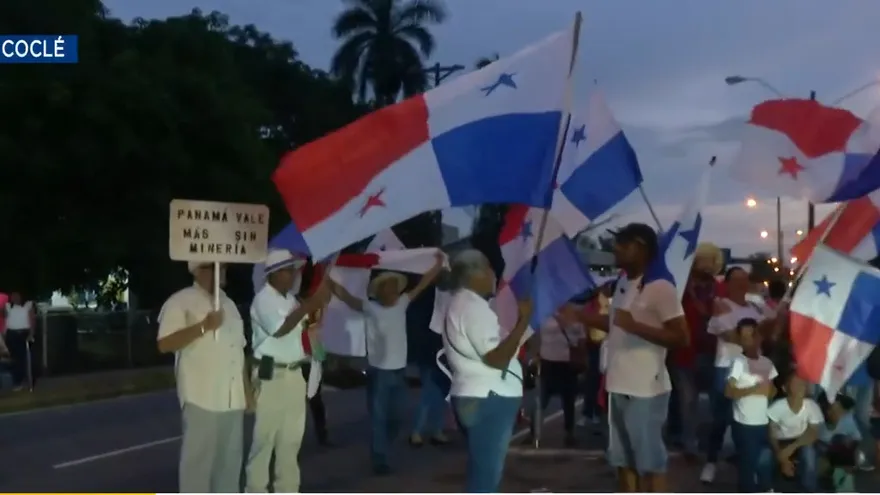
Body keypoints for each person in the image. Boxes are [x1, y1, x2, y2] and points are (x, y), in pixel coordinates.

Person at [561, 223, 688, 492]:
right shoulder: (622, 282)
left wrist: (635, 326)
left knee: (649, 463)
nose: (615, 249)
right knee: (622, 460)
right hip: (616, 385)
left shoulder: (660, 287)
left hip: (645, 390)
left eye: (623, 244)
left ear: (641, 248)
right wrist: (581, 315)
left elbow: (681, 338)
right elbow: (616, 323)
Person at [330, 252, 443, 474]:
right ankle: (379, 458)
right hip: (378, 373)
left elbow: (423, 284)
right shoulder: (370, 308)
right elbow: (344, 295)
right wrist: (326, 277)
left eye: (394, 287)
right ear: (379, 291)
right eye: (388, 287)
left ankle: (382, 448)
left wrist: (437, 265)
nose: (392, 291)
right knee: (379, 418)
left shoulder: (402, 302)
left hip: (399, 372)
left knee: (397, 417)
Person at [157, 262, 254, 493]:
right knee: (197, 470)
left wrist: (247, 392)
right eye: (214, 267)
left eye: (223, 267)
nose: (221, 272)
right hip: (202, 397)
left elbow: (237, 352)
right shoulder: (180, 301)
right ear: (198, 270)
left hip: (232, 400)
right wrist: (203, 326)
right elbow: (165, 343)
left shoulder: (229, 305)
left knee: (229, 468)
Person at [442, 249, 531, 493]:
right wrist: (524, 320)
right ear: (477, 273)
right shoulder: (472, 307)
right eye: (491, 269)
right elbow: (497, 358)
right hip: (489, 397)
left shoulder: (463, 304)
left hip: (478, 394)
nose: (495, 275)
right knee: (486, 478)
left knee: (481, 470)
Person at [246, 249, 332, 492]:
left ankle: (288, 489)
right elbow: (280, 330)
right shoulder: (263, 299)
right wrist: (308, 307)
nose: (294, 275)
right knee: (264, 440)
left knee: (291, 441)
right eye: (288, 270)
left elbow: (303, 332)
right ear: (274, 273)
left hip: (294, 373)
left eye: (294, 270)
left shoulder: (291, 300)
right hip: (269, 372)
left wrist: (315, 331)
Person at [700, 266, 773, 484]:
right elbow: (732, 336)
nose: (742, 284)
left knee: (749, 419)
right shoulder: (721, 305)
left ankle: (747, 465)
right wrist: (756, 334)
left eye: (745, 280)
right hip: (727, 368)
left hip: (754, 369)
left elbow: (771, 330)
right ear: (728, 283)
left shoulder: (755, 306)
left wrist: (763, 329)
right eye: (737, 280)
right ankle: (711, 462)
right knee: (721, 418)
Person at [670, 244, 722, 458]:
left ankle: (708, 441)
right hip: (684, 353)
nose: (707, 266)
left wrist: (708, 313)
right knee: (687, 400)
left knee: (713, 402)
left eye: (711, 261)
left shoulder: (717, 289)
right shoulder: (680, 288)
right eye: (703, 260)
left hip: (712, 353)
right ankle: (689, 442)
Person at [724, 317, 777, 492]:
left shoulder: (767, 363)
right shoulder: (738, 363)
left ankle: (767, 488)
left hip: (762, 421)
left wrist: (767, 392)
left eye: (753, 336)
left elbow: (773, 390)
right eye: (745, 337)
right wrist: (753, 390)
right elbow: (729, 392)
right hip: (745, 425)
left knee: (764, 460)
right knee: (748, 465)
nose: (750, 341)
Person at [524, 305, 585, 447]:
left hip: (568, 363)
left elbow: (581, 337)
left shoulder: (575, 314)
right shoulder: (545, 313)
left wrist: (582, 356)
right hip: (548, 362)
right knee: (541, 399)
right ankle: (533, 433)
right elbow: (537, 336)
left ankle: (569, 434)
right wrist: (536, 354)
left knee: (568, 400)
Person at [762, 373, 822, 492]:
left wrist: (792, 448)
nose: (801, 386)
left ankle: (809, 489)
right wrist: (782, 457)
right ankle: (767, 488)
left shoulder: (812, 406)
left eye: (803, 383)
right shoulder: (777, 406)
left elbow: (813, 433)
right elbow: (771, 434)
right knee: (763, 457)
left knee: (809, 454)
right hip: (781, 442)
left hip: (801, 441)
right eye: (796, 383)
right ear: (785, 388)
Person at [816, 393, 861, 492]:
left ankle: (845, 487)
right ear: (826, 410)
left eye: (841, 408)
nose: (841, 411)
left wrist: (855, 460)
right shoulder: (818, 422)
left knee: (844, 441)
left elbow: (856, 440)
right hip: (822, 456)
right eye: (836, 408)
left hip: (841, 457)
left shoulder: (847, 418)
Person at [4, 291, 36, 390]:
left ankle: (28, 379)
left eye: (17, 296)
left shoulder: (27, 305)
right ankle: (17, 381)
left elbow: (32, 320)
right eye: (13, 296)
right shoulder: (8, 306)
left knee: (25, 358)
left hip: (23, 333)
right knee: (14, 359)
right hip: (12, 334)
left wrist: (31, 334)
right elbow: (5, 318)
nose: (15, 298)